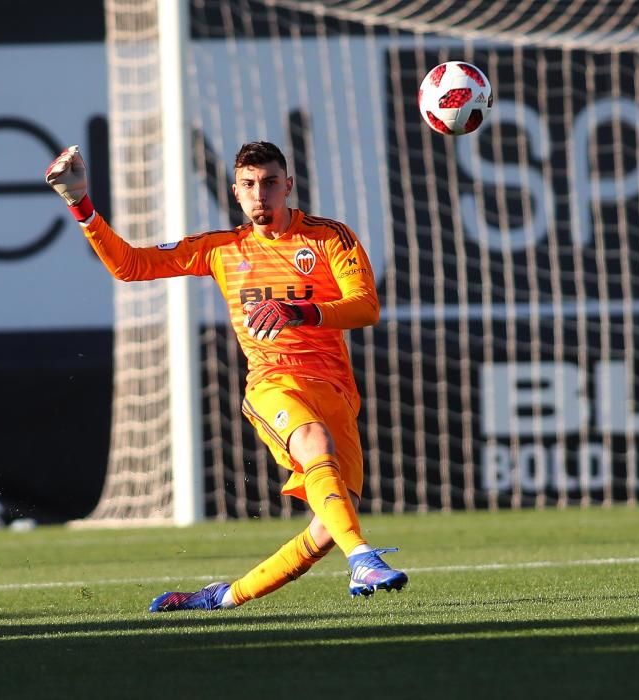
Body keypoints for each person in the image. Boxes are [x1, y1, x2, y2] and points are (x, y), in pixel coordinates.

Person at [45, 141, 408, 611]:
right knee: (315, 444)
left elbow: (366, 307)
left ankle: (221, 597)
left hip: (336, 390)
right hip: (273, 383)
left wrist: (301, 311)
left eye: (271, 183)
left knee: (326, 529)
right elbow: (130, 265)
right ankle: (361, 558)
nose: (262, 195)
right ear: (236, 192)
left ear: (289, 186)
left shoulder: (328, 237)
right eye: (251, 185)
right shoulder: (221, 249)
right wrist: (80, 202)